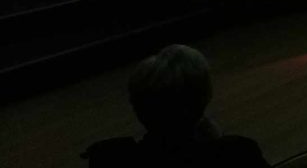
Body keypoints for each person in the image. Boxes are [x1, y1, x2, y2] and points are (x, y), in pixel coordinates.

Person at [83, 44, 269, 167]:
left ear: (136, 106)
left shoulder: (107, 157)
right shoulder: (238, 154)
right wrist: (217, 140)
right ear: (205, 98)